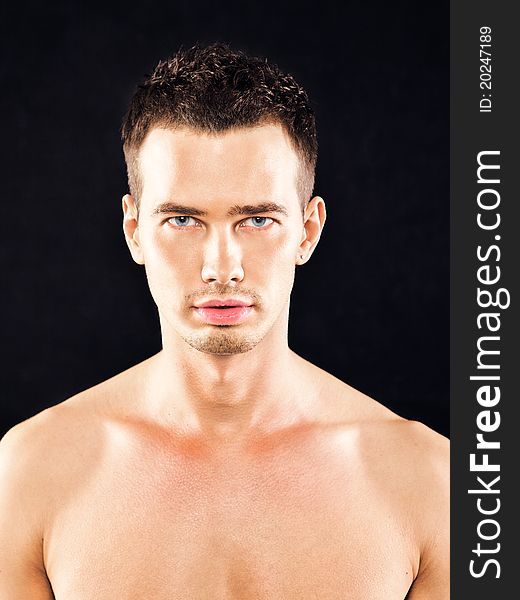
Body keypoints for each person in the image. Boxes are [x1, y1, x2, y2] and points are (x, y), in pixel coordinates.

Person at [0, 43, 449, 599]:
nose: (221, 267)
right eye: (183, 219)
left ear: (307, 231)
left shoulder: (433, 487)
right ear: (134, 230)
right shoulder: (29, 476)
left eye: (257, 219)